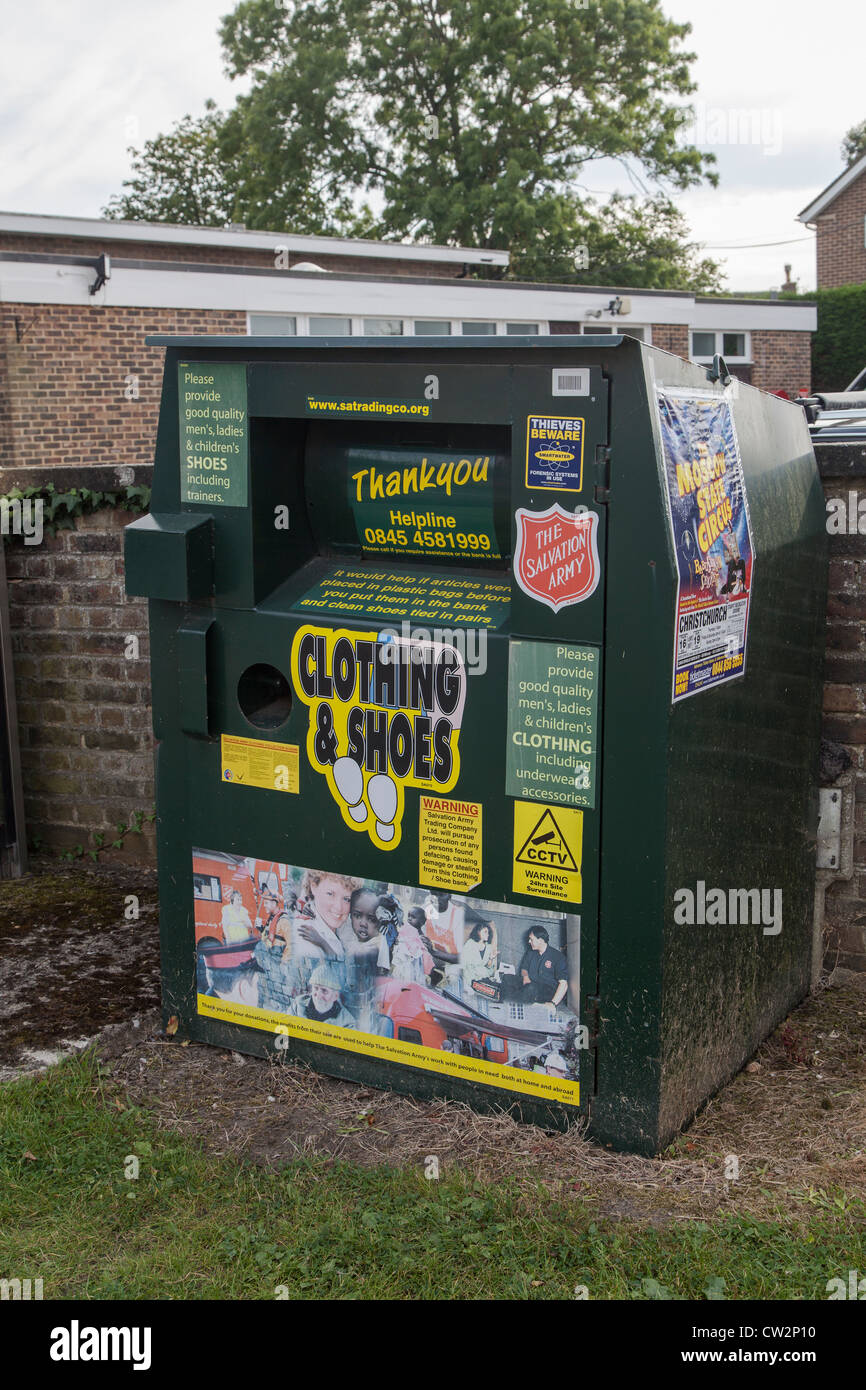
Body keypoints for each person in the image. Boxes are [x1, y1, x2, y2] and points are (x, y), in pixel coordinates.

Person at [290, 963, 356, 1030]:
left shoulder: (346, 1023)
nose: (318, 996)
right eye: (316, 988)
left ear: (335, 996)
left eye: (324, 991)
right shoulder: (297, 1005)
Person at [519, 926, 569, 1007]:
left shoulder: (558, 957)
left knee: (530, 989)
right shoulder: (530, 952)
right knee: (507, 979)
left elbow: (564, 984)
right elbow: (524, 968)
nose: (529, 941)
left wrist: (553, 1003)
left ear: (541, 940)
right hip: (531, 985)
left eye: (531, 939)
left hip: (548, 991)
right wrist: (525, 976)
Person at [460, 921, 498, 995]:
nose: (488, 934)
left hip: (483, 976)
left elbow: (489, 967)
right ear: (478, 932)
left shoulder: (489, 947)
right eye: (485, 932)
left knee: (492, 991)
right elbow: (463, 962)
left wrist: (491, 958)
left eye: (488, 932)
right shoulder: (470, 943)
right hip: (469, 975)